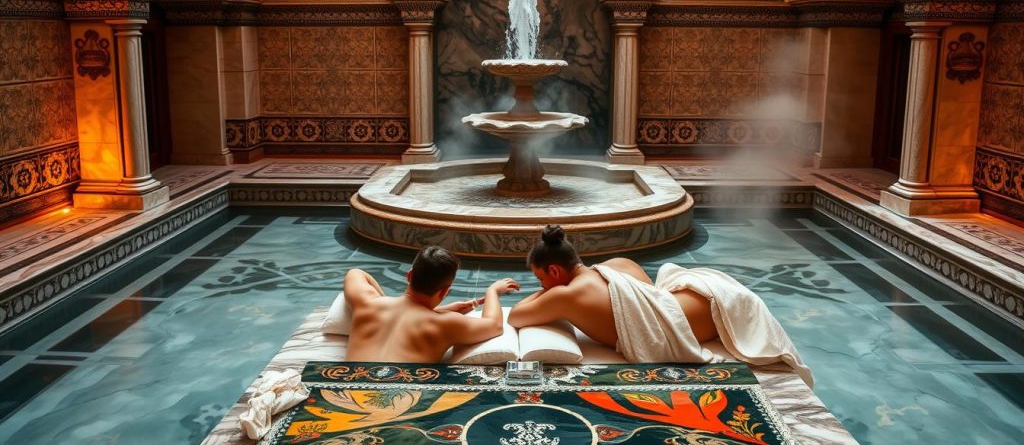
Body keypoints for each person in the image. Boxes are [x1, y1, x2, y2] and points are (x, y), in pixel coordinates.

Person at [508, 225, 813, 386]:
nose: (541, 287)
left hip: (716, 308)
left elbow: (519, 315)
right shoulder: (616, 264)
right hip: (708, 291)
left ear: (555, 271)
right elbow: (650, 300)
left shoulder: (567, 295)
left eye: (540, 279)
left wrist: (542, 295)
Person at [345, 245, 519, 363]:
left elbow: (355, 272)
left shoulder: (367, 304)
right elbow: (494, 325)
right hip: (396, 404)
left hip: (345, 395)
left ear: (409, 276)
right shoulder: (444, 323)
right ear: (445, 291)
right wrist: (492, 291)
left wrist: (387, 302)